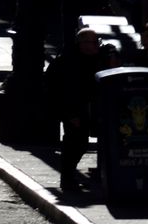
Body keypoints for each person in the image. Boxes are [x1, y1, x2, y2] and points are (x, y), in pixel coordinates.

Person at [46, 27, 110, 191]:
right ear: (82, 44)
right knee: (74, 144)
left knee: (81, 144)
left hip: (91, 109)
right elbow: (61, 89)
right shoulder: (68, 61)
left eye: (97, 41)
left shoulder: (96, 58)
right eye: (93, 42)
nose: (96, 45)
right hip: (73, 110)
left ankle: (70, 177)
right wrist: (69, 114)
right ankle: (67, 179)